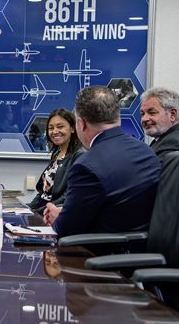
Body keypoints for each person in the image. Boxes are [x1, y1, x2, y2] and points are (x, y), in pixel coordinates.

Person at [43, 86, 160, 236]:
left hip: (99, 253)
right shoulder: (146, 151)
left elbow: (67, 229)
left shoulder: (86, 166)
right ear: (117, 117)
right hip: (144, 252)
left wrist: (58, 218)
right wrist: (66, 212)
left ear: (81, 124)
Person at [29, 109, 84, 214]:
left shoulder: (79, 156)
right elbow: (43, 192)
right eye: (51, 128)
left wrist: (38, 212)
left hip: (56, 212)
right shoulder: (56, 153)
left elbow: (68, 196)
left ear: (72, 129)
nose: (54, 131)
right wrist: (27, 209)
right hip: (43, 209)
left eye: (60, 127)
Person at [140, 87, 179, 161]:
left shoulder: (171, 143)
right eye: (142, 114)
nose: (144, 119)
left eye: (152, 112)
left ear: (172, 115)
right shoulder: (162, 140)